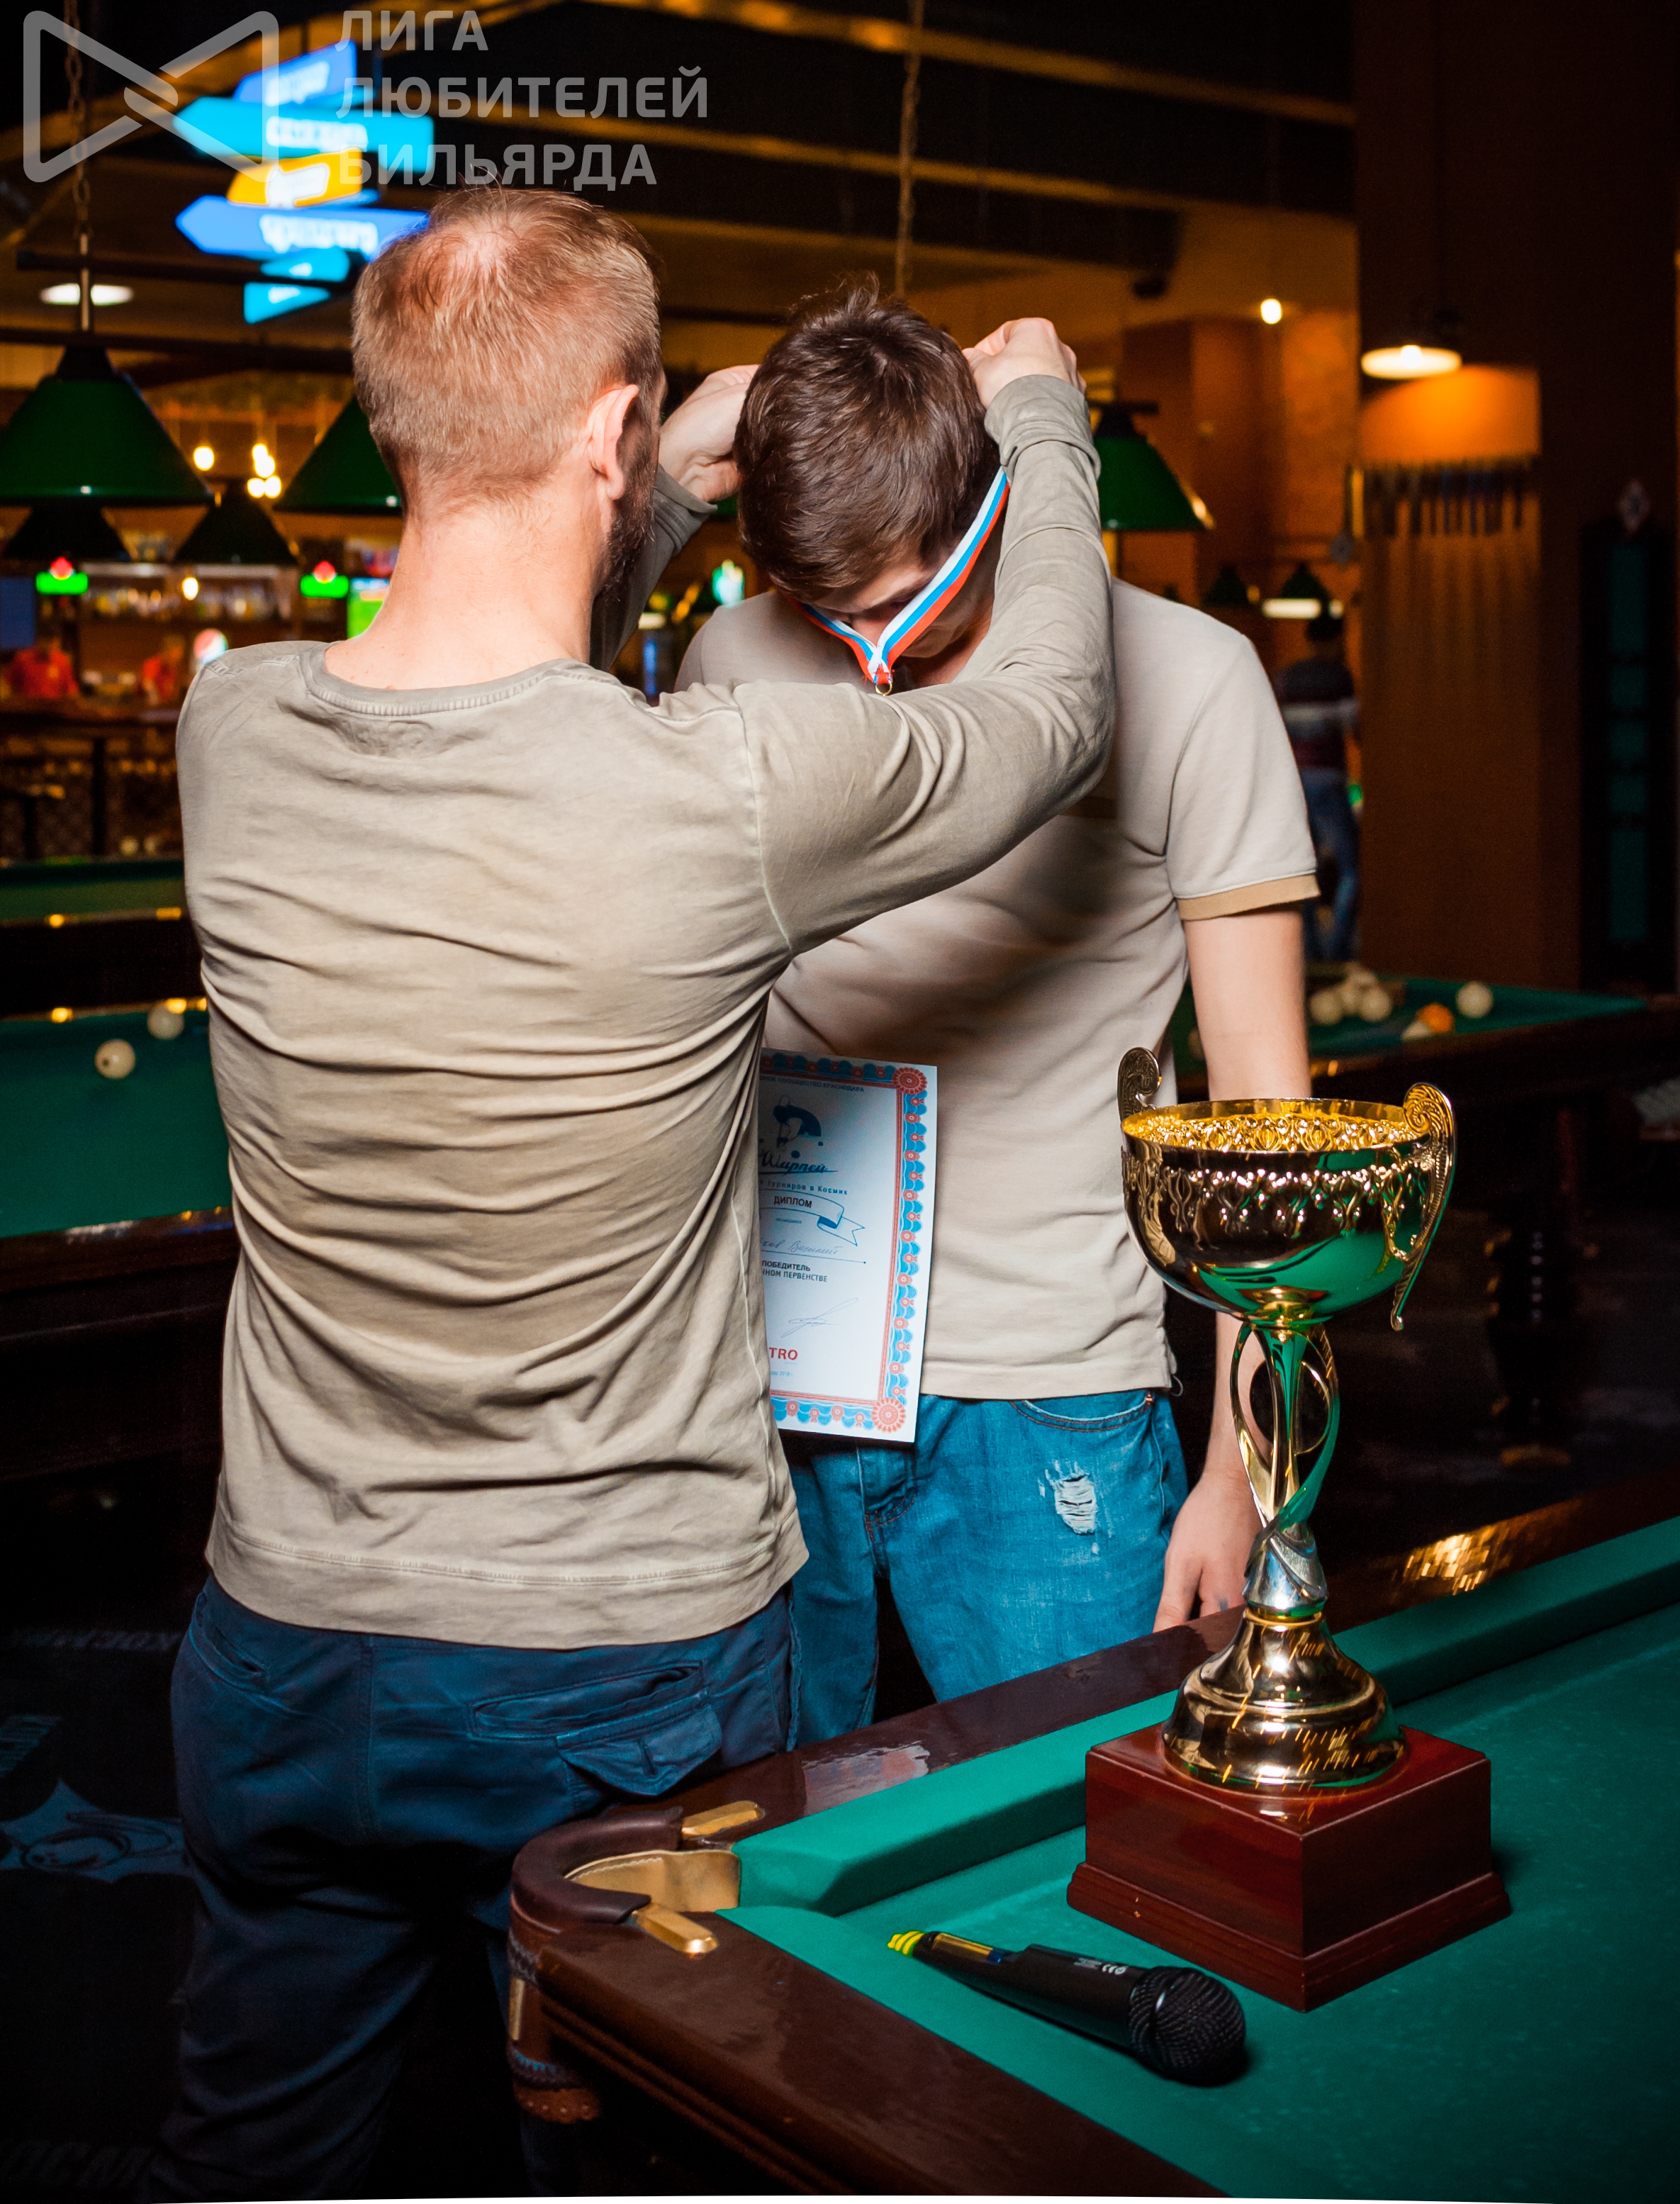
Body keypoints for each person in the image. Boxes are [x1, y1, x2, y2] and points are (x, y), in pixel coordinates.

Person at [150, 191, 1112, 2200]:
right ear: (608, 434)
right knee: (648, 2154)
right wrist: (1035, 415)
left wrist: (640, 445)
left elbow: (508, 590)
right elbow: (1047, 716)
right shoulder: (720, 786)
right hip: (622, 1671)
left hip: (289, 1648)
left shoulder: (229, 730)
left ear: (393, 424)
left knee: (252, 2154)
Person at [679, 282, 1317, 1742]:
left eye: (902, 601)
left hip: (1047, 1396)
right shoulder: (728, 660)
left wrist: (1246, 1476)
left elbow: (1266, 1122)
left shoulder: (1193, 678)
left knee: (1086, 1819)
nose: (872, 652)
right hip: (772, 1380)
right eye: (829, 613)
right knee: (757, 1848)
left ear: (994, 499)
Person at [1277, 610, 1361, 961]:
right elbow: (1355, 726)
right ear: (1336, 639)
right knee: (1352, 868)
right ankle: (1338, 949)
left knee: (1302, 868)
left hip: (1292, 783)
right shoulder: (1339, 675)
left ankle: (1311, 950)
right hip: (1328, 779)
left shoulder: (1285, 677)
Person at [6, 627, 77, 699]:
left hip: (55, 705)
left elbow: (70, 689)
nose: (50, 646)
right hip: (28, 705)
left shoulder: (62, 660)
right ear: (38, 641)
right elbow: (11, 685)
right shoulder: (22, 659)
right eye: (46, 641)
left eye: (53, 642)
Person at [140, 632, 187, 706]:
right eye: (175, 655)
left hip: (165, 708)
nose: (178, 659)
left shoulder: (173, 668)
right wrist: (157, 706)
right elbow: (148, 685)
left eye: (180, 655)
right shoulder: (152, 664)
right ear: (166, 652)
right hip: (151, 708)